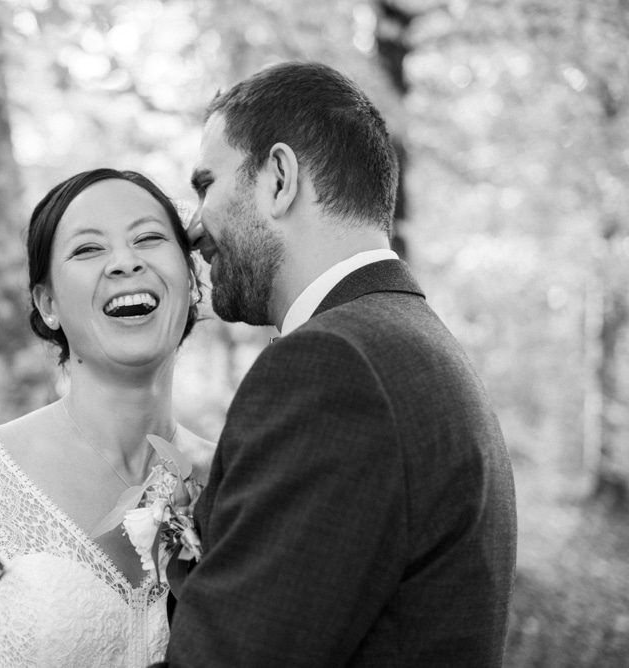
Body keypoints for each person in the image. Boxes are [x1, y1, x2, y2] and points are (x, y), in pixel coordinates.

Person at [157, 62, 518, 666]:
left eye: (205, 185)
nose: (193, 229)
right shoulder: (412, 344)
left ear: (278, 178)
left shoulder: (331, 367)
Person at [0, 168, 212, 668]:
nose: (126, 262)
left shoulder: (236, 482)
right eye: (87, 249)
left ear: (191, 282)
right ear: (48, 304)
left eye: (148, 238)